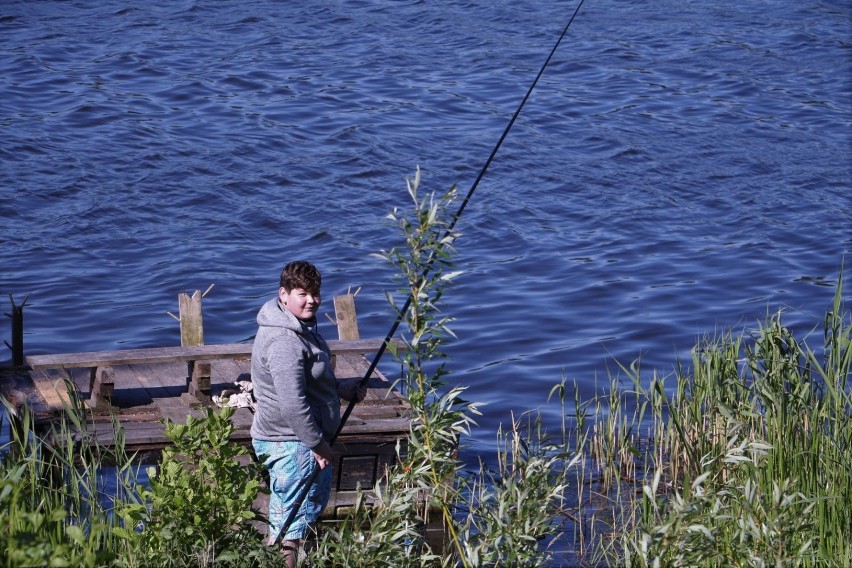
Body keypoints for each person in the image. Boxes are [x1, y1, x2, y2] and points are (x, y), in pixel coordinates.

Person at [250, 260, 366, 567]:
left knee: (302, 516)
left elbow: (309, 381)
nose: (311, 300)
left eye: (315, 293)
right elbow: (292, 403)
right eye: (302, 293)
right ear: (284, 294)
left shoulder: (301, 329)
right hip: (291, 442)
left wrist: (341, 388)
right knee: (290, 524)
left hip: (301, 441)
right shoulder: (285, 340)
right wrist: (318, 445)